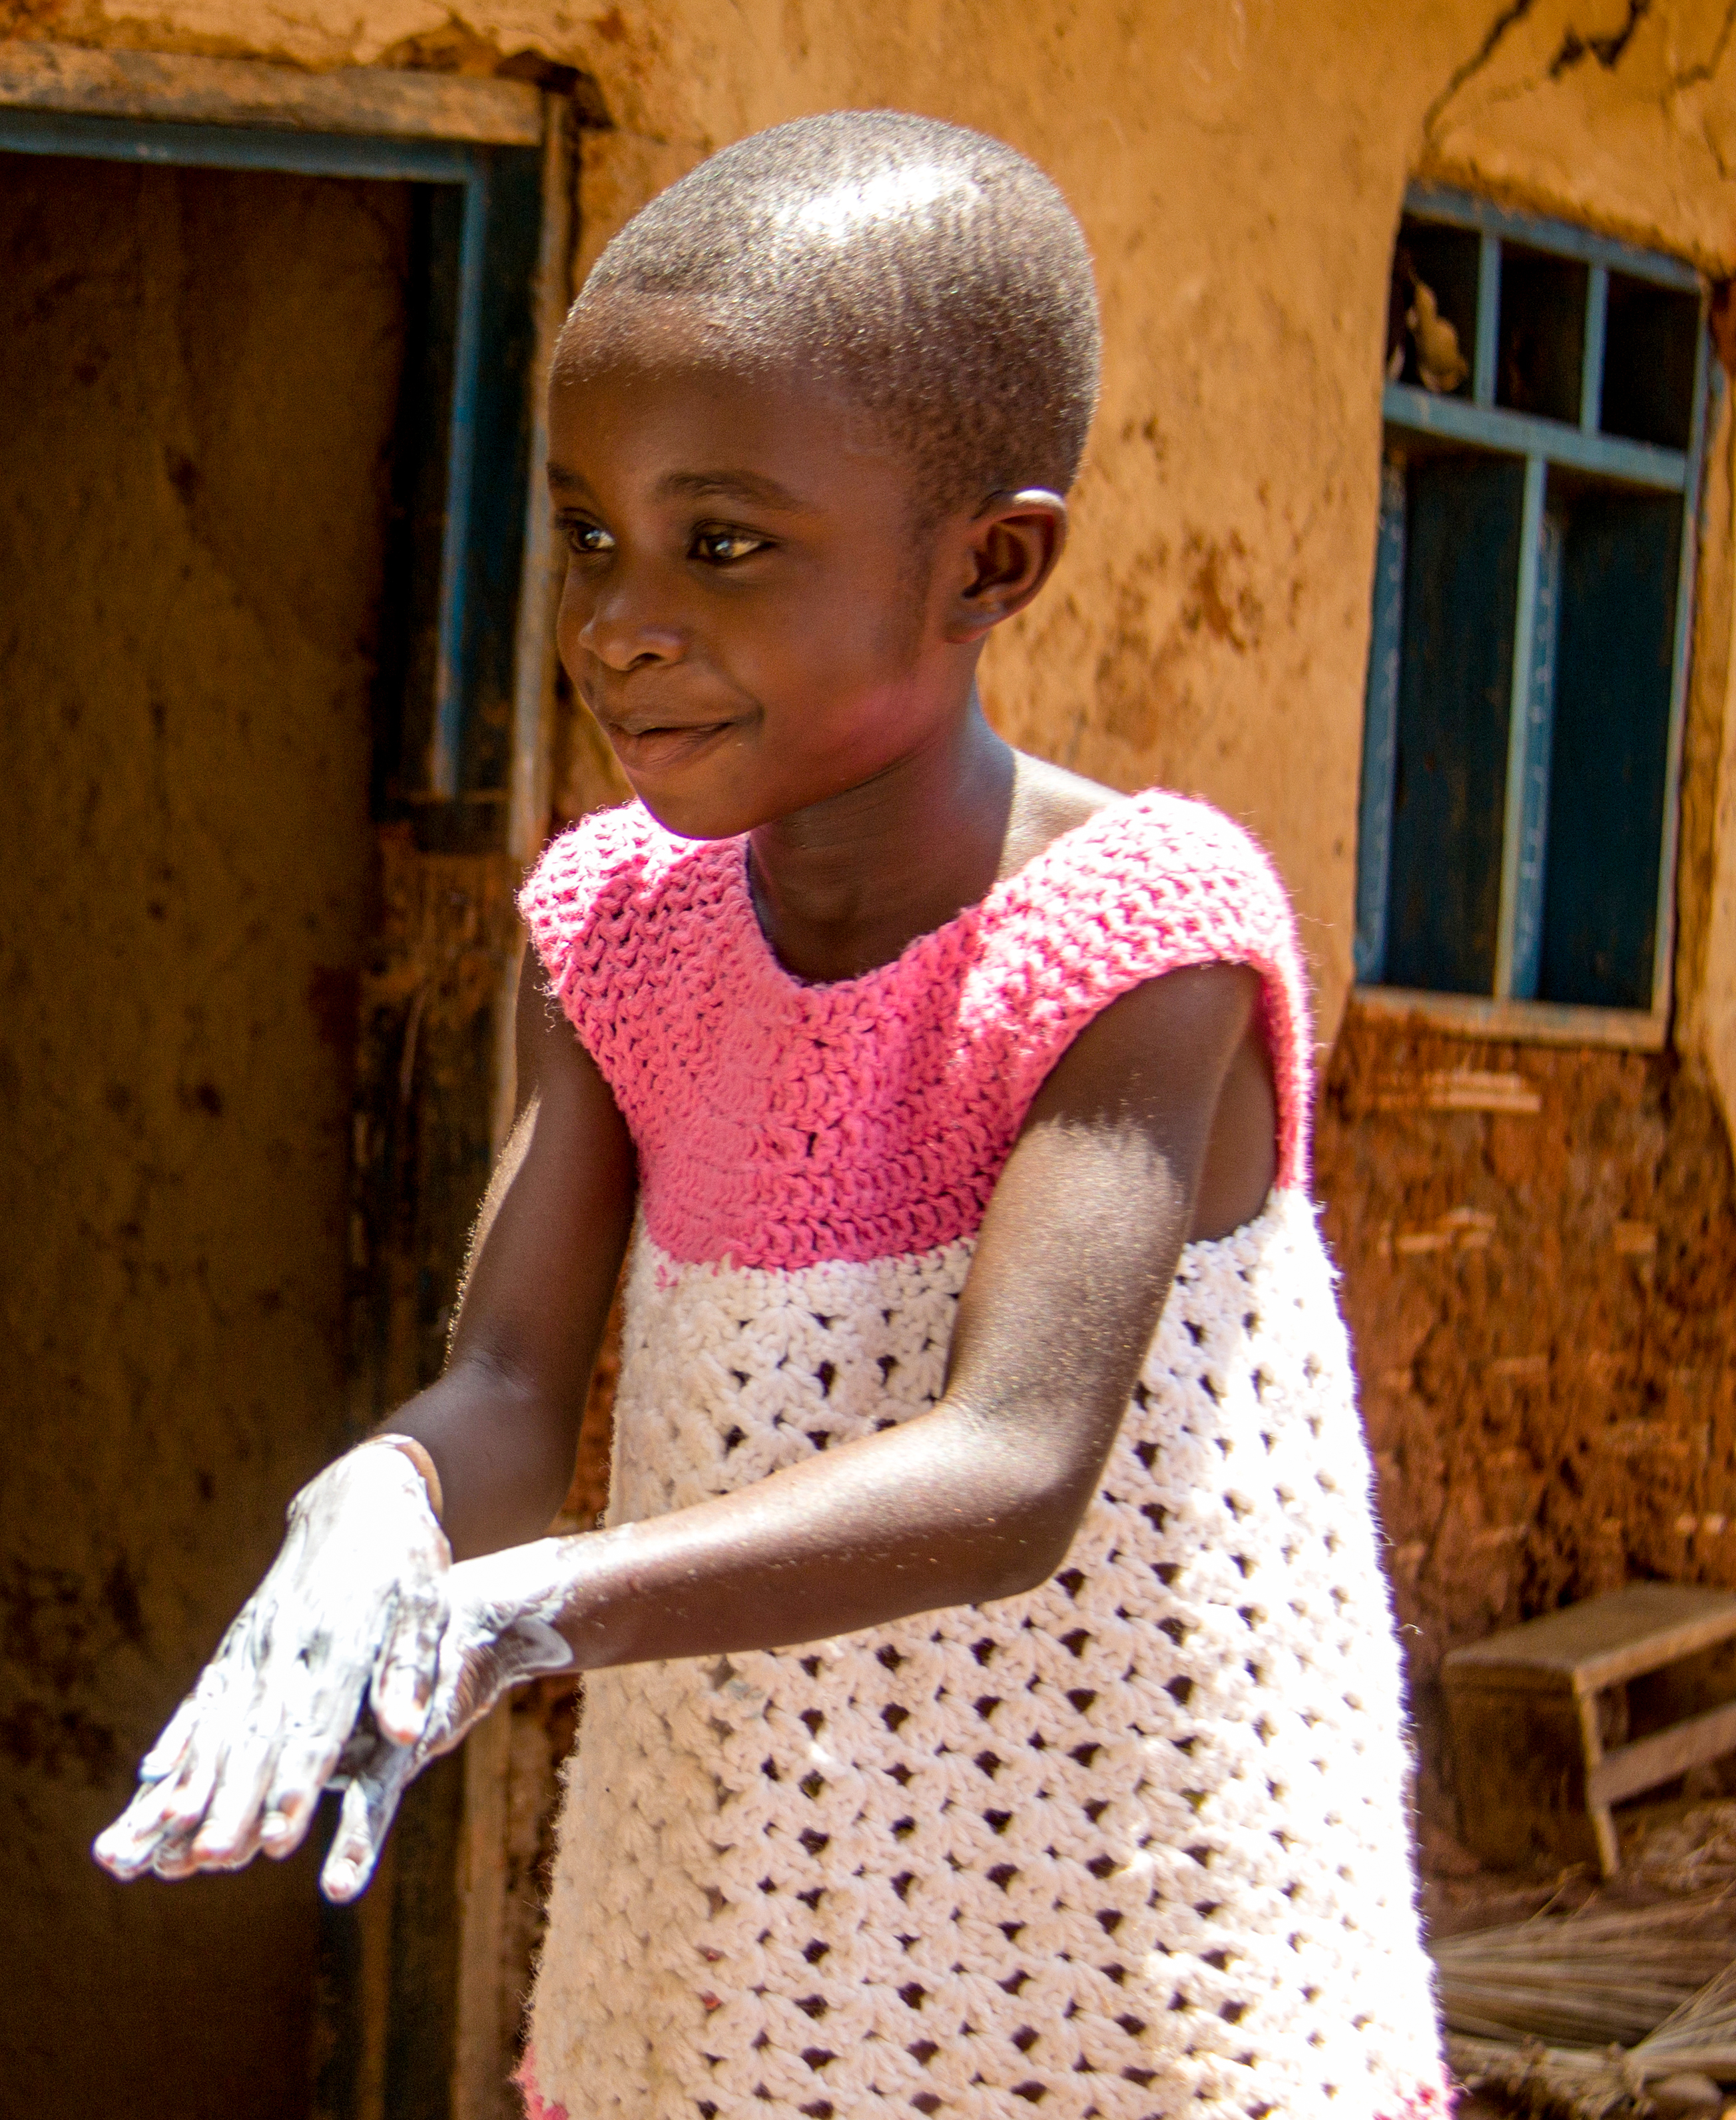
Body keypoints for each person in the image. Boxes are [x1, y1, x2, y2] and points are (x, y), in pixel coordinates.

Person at [95, 113, 1446, 2119]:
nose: (619, 619)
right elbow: (509, 1381)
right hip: (740, 1928)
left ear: (990, 564)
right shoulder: (619, 931)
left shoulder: (1132, 937)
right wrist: (379, 1501)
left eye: (721, 544)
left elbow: (1009, 1468)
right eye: (587, 533)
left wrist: (525, 1612)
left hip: (1131, 1972)